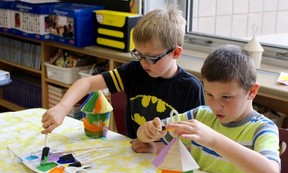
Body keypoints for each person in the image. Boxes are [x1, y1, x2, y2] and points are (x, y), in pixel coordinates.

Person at [41, 6, 205, 154]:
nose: (143, 63)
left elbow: (194, 144)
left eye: (151, 58)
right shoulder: (134, 71)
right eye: (139, 55)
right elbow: (88, 83)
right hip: (133, 153)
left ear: (175, 53)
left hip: (169, 161)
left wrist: (156, 147)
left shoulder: (190, 88)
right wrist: (62, 107)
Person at [137, 45, 281, 173]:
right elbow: (144, 133)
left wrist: (214, 140)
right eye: (209, 95)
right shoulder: (200, 115)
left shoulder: (262, 129)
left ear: (252, 91)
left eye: (226, 97)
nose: (216, 106)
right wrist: (149, 131)